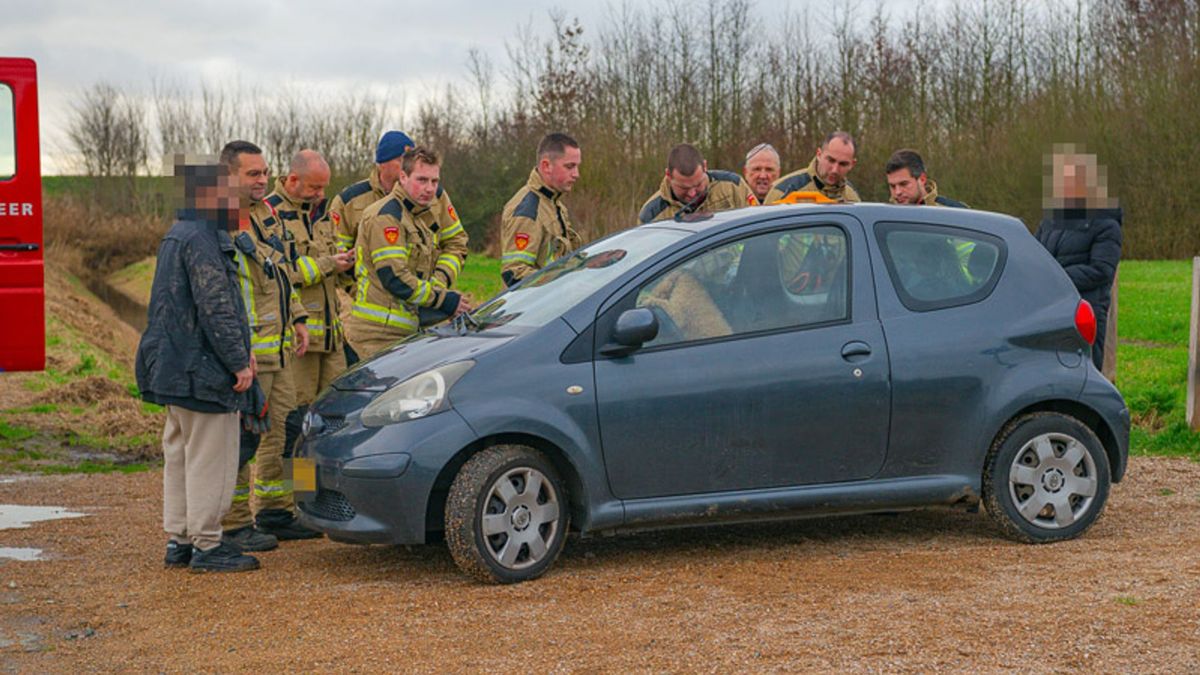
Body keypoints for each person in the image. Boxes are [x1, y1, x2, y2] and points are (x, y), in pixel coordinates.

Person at [135, 154, 260, 573]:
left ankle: (181, 541)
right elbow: (217, 307)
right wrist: (239, 362)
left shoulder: (177, 233)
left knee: (179, 455)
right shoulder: (205, 239)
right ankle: (208, 545)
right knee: (210, 457)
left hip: (170, 367)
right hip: (202, 372)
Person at [217, 141, 322, 542]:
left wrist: (296, 316)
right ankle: (234, 523)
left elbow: (279, 273)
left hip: (282, 345)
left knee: (284, 430)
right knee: (242, 441)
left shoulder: (267, 214)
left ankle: (276, 511)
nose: (263, 180)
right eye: (253, 174)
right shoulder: (220, 219)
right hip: (250, 351)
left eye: (264, 173)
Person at [264, 150, 353, 456]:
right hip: (299, 341)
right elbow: (281, 271)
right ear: (292, 180)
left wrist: (346, 264)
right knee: (295, 425)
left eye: (324, 188)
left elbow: (333, 269)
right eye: (315, 187)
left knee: (333, 421)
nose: (321, 194)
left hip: (332, 339)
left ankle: (320, 496)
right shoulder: (269, 215)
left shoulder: (321, 214)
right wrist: (329, 263)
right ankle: (290, 498)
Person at [344, 146, 471, 358]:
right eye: (422, 180)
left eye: (434, 181)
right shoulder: (386, 216)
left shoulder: (415, 215)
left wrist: (438, 284)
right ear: (402, 177)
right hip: (377, 337)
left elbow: (457, 244)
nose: (430, 189)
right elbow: (395, 279)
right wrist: (444, 300)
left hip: (403, 333)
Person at [1034, 145, 1122, 371]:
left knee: (1085, 377)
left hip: (1085, 316)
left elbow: (1101, 270)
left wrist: (1055, 279)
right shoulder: (1049, 222)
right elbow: (1034, 258)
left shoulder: (1106, 224)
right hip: (1048, 311)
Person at [500, 133, 583, 287]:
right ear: (546, 166)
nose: (576, 174)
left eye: (577, 166)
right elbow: (514, 274)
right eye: (569, 166)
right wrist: (563, 281)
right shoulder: (527, 209)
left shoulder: (554, 204)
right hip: (535, 308)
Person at [638, 143, 758, 223]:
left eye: (698, 185)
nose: (692, 194)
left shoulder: (733, 187)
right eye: (683, 188)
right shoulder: (651, 215)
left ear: (705, 166)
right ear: (668, 175)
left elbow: (758, 223)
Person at [765, 131, 861, 203]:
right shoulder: (783, 191)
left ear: (852, 164)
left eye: (843, 164)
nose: (835, 170)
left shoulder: (852, 197)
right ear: (819, 154)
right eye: (831, 160)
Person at [885, 149, 967, 207]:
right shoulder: (884, 216)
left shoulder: (954, 213)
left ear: (922, 179)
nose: (897, 192)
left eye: (904, 184)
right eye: (892, 186)